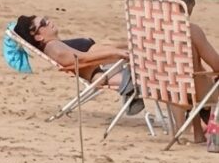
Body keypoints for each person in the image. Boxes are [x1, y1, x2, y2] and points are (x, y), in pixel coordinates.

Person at [14, 15, 144, 115]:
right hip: (105, 70)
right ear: (38, 37)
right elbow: (83, 59)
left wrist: (124, 47)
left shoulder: (55, 44)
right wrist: (115, 53)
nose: (48, 22)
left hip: (108, 65)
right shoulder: (54, 48)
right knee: (145, 80)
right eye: (43, 23)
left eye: (46, 18)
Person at [166, 0, 219, 143]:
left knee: (185, 74)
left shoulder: (155, 31)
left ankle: (193, 131)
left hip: (168, 89)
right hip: (198, 92)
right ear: (191, 5)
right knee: (195, 76)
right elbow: (216, 65)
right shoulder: (191, 31)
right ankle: (204, 127)